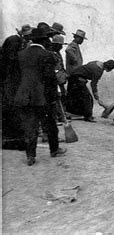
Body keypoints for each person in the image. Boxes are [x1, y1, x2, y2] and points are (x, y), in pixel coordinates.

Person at [13, 27, 67, 166]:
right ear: (43, 40)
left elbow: (18, 76)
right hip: (42, 96)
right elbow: (49, 78)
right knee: (50, 123)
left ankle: (30, 155)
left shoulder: (21, 54)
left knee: (30, 126)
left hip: (24, 95)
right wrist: (55, 96)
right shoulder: (47, 55)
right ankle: (54, 149)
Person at [1, 24, 32, 149]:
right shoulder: (14, 41)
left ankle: (14, 140)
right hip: (9, 81)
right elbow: (12, 59)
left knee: (14, 110)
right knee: (11, 110)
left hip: (12, 80)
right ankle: (11, 142)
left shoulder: (18, 41)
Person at [51, 34, 68, 122]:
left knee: (62, 96)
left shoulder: (57, 53)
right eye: (60, 45)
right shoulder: (51, 54)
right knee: (56, 98)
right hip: (55, 79)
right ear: (55, 45)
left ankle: (62, 115)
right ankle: (57, 116)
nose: (61, 47)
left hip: (61, 79)